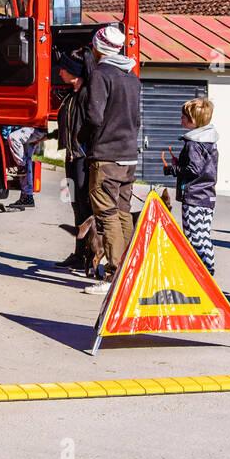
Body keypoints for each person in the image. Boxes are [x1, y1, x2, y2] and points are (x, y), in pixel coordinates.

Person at [81, 24, 141, 295]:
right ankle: (129, 271)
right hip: (128, 155)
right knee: (123, 212)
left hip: (106, 155)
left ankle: (114, 275)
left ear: (97, 47)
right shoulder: (131, 77)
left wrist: (83, 137)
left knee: (106, 214)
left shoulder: (100, 75)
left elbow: (94, 116)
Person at [164, 97, 219, 275]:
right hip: (207, 196)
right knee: (203, 236)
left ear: (193, 121)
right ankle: (208, 269)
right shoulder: (208, 140)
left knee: (193, 237)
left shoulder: (193, 144)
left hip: (194, 197)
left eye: (184, 116)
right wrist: (181, 162)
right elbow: (202, 167)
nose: (181, 118)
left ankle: (201, 273)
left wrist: (173, 169)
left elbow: (193, 170)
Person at [53, 48, 93, 271]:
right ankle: (80, 253)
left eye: (64, 69)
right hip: (71, 157)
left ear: (75, 72)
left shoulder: (86, 95)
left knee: (84, 206)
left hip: (81, 159)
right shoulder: (72, 95)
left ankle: (86, 254)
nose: (59, 73)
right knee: (76, 204)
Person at [2, 125, 48, 210]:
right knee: (27, 159)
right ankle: (27, 196)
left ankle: (21, 166)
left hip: (34, 128)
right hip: (38, 129)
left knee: (13, 138)